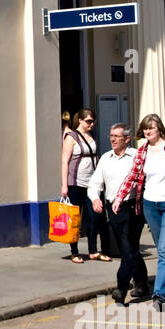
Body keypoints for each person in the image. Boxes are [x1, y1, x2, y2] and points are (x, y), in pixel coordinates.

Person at [112, 114, 165, 310]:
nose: (147, 131)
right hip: (150, 205)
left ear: (159, 128)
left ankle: (159, 295)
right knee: (162, 247)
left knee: (164, 250)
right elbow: (132, 176)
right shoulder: (143, 151)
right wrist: (119, 197)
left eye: (151, 128)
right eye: (144, 129)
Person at [88, 124, 149, 303]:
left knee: (128, 246)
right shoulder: (105, 158)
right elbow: (94, 183)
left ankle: (121, 288)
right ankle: (142, 283)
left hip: (133, 207)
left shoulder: (136, 157)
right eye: (111, 135)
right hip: (113, 209)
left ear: (127, 139)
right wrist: (95, 199)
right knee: (128, 248)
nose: (113, 139)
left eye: (117, 136)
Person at [61, 109, 109, 264]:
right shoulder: (71, 137)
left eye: (93, 121)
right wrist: (64, 185)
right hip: (75, 183)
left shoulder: (91, 136)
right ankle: (74, 252)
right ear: (80, 120)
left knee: (94, 216)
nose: (91, 124)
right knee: (75, 219)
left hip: (92, 183)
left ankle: (93, 250)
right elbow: (64, 161)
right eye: (88, 121)